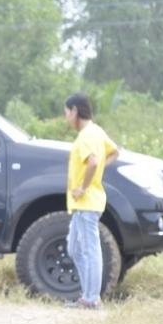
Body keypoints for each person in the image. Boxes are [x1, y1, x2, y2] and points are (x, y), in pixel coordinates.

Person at [64, 93, 119, 309]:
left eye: (67, 112)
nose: (66, 117)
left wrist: (84, 186)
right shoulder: (97, 131)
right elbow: (114, 153)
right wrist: (96, 174)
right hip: (83, 205)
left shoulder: (87, 135)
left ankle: (91, 299)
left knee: (89, 250)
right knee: (74, 250)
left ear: (75, 111)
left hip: (87, 202)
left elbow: (94, 161)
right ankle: (88, 295)